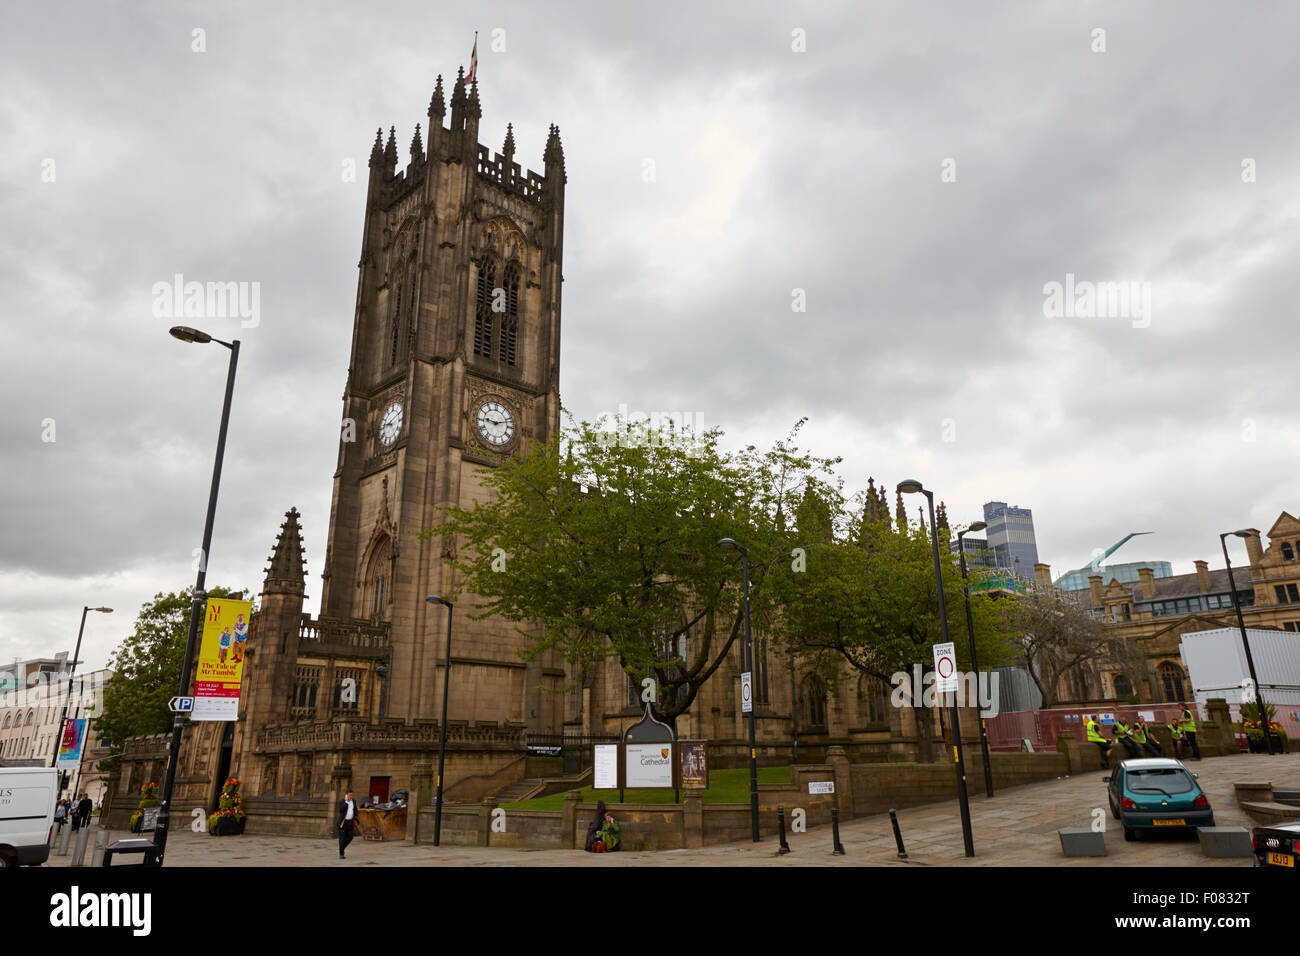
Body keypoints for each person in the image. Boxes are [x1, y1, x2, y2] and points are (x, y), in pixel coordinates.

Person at [337, 788, 360, 859]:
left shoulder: (353, 801)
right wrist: (346, 802)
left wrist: (356, 815)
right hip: (343, 822)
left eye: (352, 795)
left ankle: (342, 847)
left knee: (350, 837)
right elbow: (341, 810)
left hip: (350, 822)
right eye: (350, 795)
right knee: (342, 838)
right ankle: (341, 854)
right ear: (346, 795)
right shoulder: (342, 801)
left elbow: (355, 809)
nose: (351, 797)